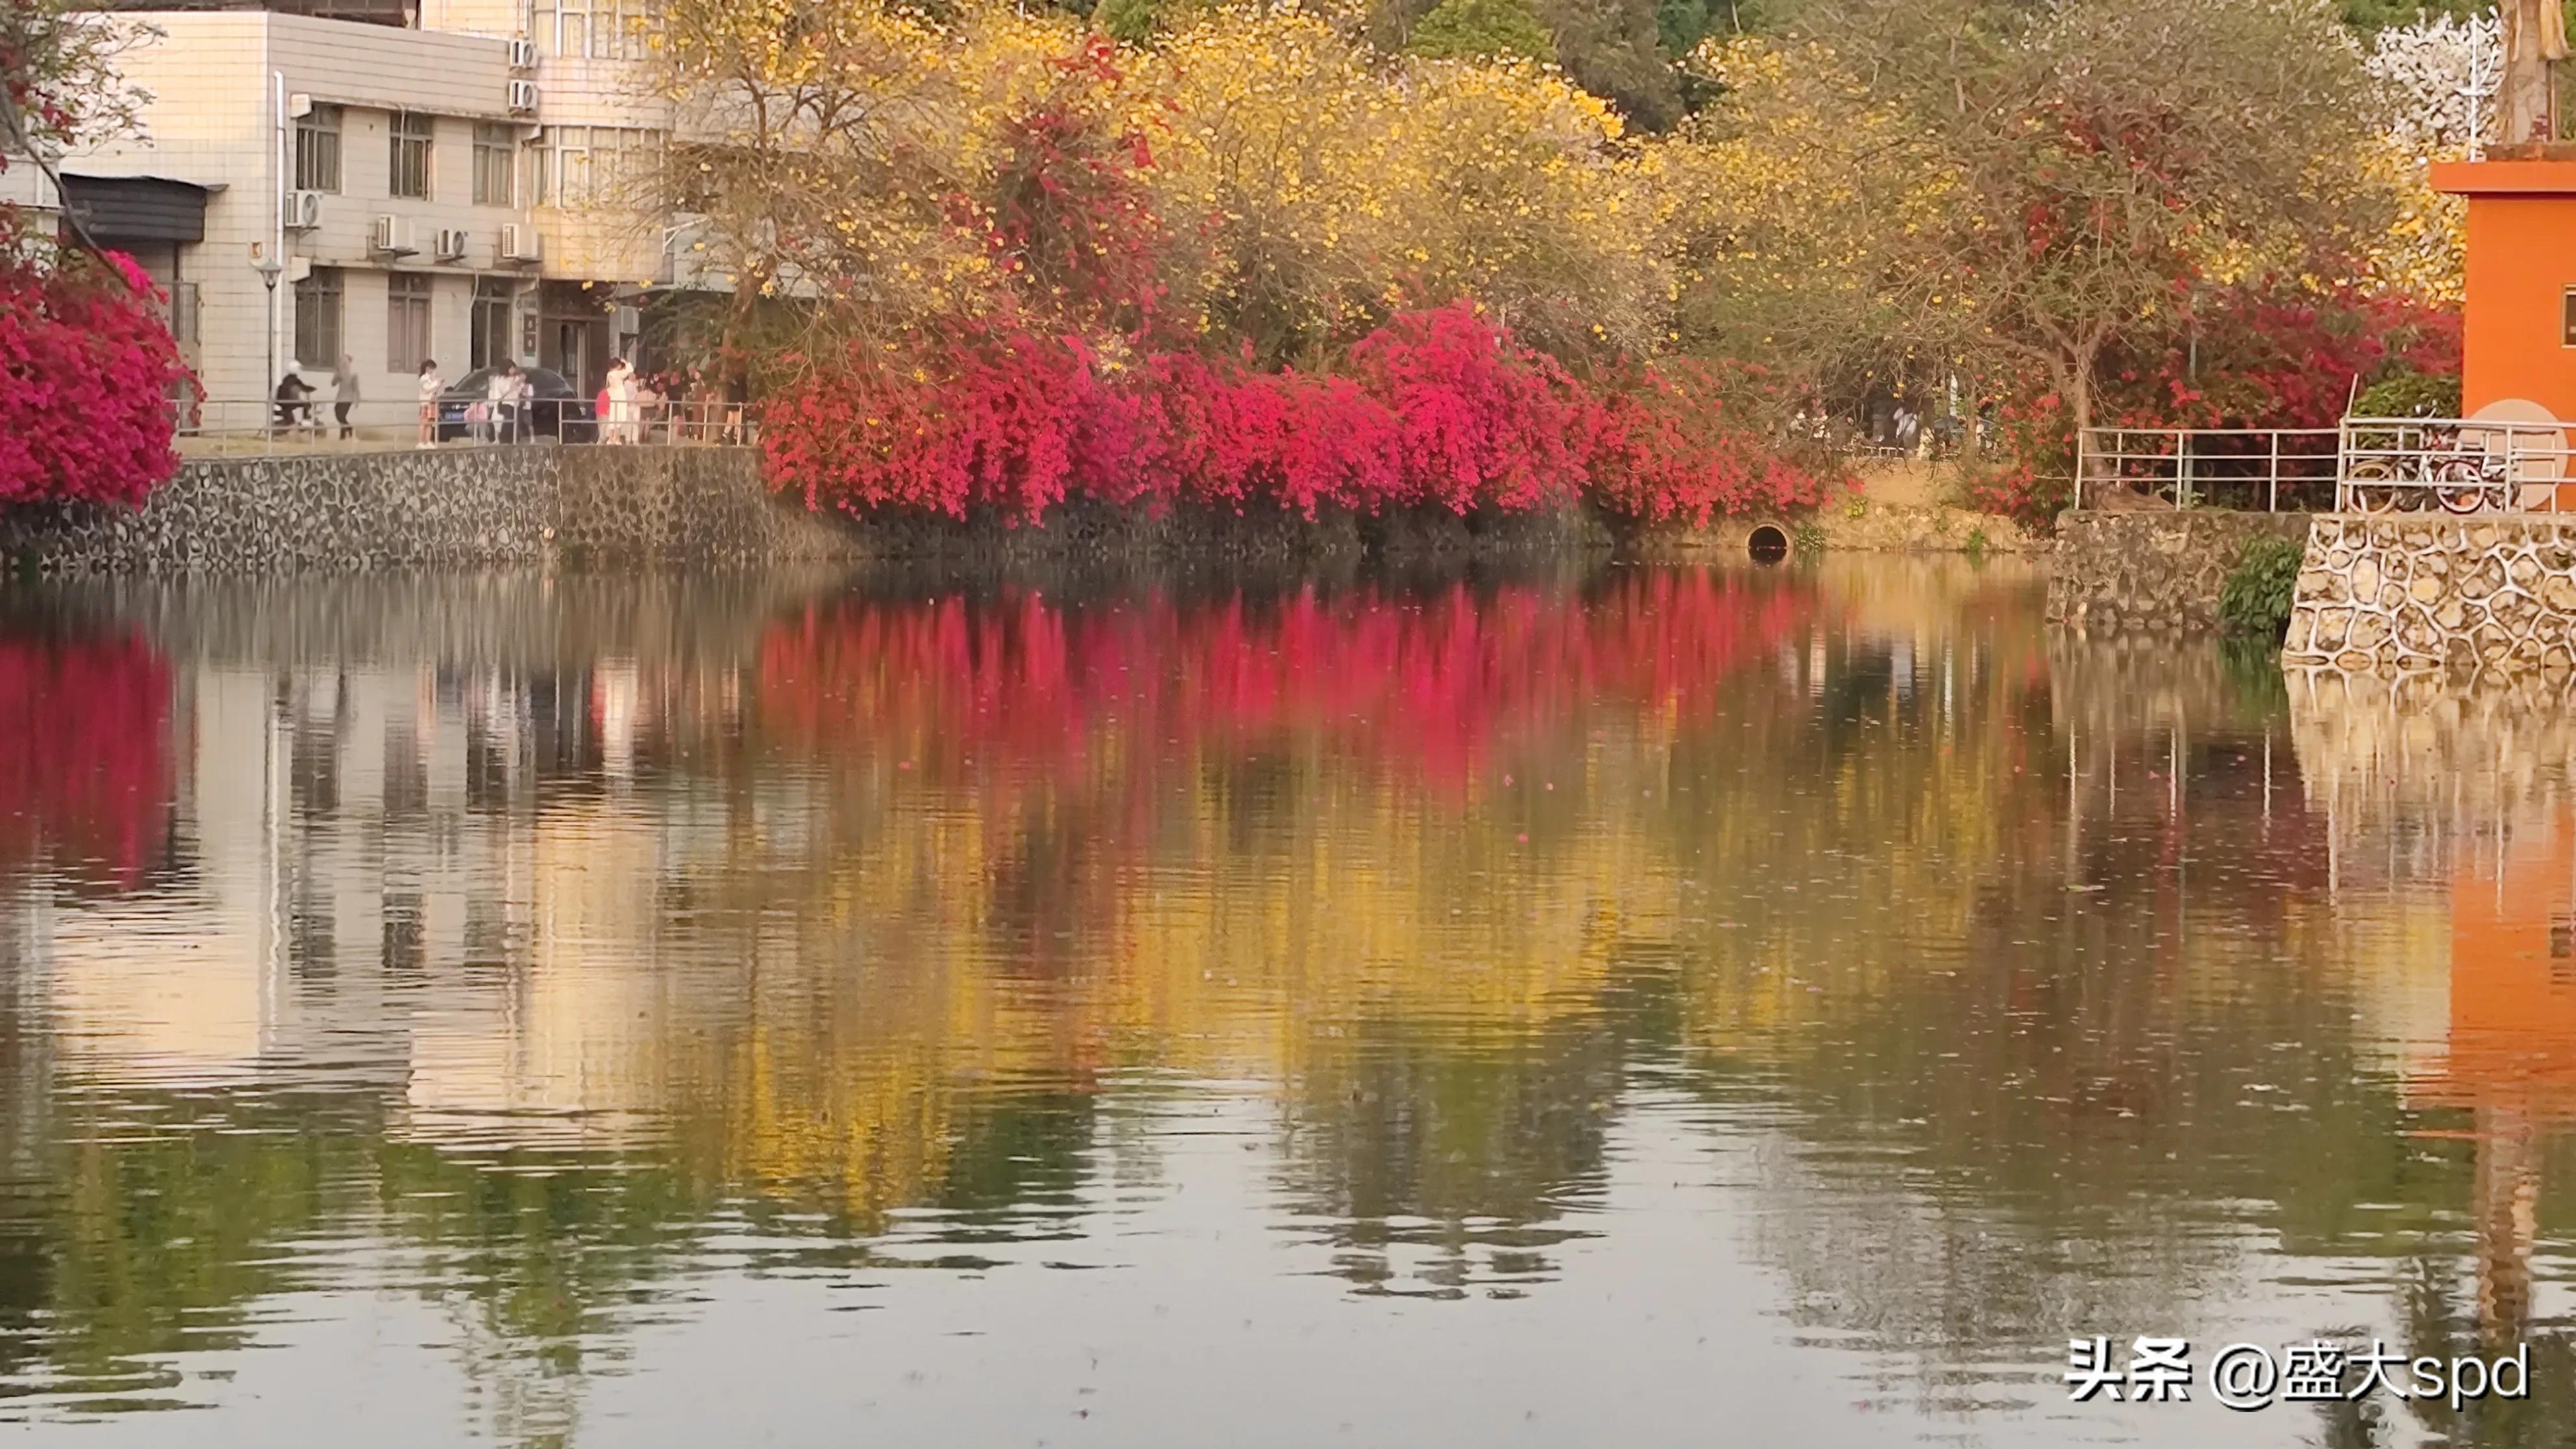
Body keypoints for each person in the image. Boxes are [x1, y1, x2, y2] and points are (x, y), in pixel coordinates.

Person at [272, 365, 317, 435]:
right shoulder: (295, 381)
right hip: (290, 405)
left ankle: (302, 422)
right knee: (307, 405)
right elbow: (304, 388)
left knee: (305, 405)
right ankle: (305, 420)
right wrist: (313, 389)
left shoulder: (285, 382)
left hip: (282, 405)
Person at [604, 357, 636, 445]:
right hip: (620, 398)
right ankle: (616, 439)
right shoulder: (618, 374)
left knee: (612, 418)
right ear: (617, 365)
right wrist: (624, 361)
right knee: (619, 419)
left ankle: (610, 438)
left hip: (613, 398)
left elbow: (607, 386)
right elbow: (630, 369)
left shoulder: (609, 374)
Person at [330, 355, 361, 441]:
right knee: (338, 415)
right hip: (339, 398)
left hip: (348, 399)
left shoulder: (353, 375)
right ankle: (342, 437)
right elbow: (333, 384)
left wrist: (357, 400)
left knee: (341, 416)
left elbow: (356, 389)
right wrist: (336, 376)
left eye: (345, 363)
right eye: (341, 362)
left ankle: (350, 430)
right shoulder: (340, 374)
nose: (343, 364)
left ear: (349, 364)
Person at [416, 359, 444, 448]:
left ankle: (428, 441)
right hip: (425, 403)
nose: (433, 371)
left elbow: (433, 389)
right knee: (423, 423)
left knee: (430, 423)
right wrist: (436, 382)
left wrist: (438, 383)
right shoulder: (424, 378)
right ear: (428, 368)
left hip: (431, 403)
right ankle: (421, 442)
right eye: (432, 369)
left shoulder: (430, 379)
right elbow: (427, 388)